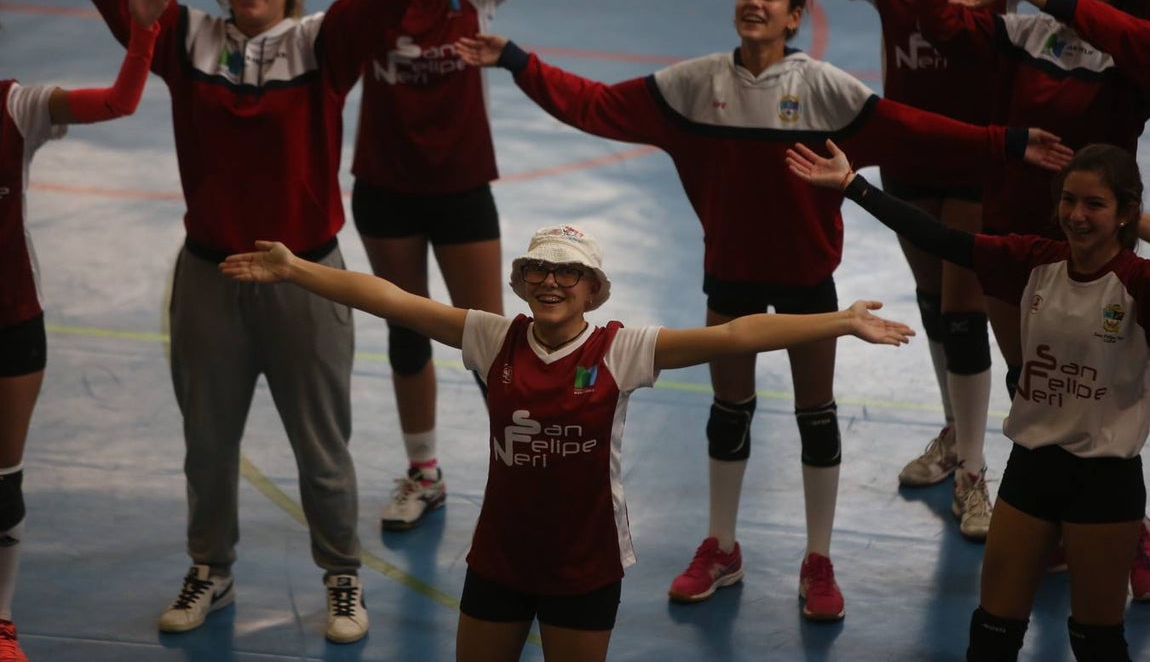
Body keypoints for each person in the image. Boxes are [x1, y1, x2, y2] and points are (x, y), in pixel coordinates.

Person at [455, 0, 1071, 621]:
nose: (754, 2)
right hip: (731, 274)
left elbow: (912, 129)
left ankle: (818, 559)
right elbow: (595, 104)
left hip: (807, 279)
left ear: (795, 15)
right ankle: (721, 546)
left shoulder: (824, 89)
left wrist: (1007, 142)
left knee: (816, 415)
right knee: (729, 411)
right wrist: (516, 59)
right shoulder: (693, 85)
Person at [60, 0, 474, 643]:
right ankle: (210, 569)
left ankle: (342, 575)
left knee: (322, 446)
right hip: (209, 276)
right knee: (207, 444)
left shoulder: (323, 43)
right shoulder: (182, 35)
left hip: (304, 277)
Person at [219, 223, 914, 661]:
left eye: (568, 272)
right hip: (501, 555)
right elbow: (392, 299)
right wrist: (296, 269)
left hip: (585, 562)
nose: (551, 281)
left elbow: (735, 334)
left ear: (593, 290)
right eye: (538, 270)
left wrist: (837, 320)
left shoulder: (621, 350)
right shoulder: (493, 336)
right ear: (522, 283)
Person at [624, 0, 1049, 540]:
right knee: (934, 304)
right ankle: (955, 435)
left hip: (973, 152)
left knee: (964, 312)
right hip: (907, 156)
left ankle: (973, 469)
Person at [234, 0, 582, 532]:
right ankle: (424, 473)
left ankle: (530, 477)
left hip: (460, 186)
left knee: (491, 341)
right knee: (405, 329)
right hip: (386, 185)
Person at [788, 139, 1148, 662]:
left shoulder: (1138, 284)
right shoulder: (1034, 261)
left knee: (1097, 642)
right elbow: (940, 238)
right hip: (1032, 469)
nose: (1076, 215)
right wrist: (853, 186)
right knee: (992, 633)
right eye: (1069, 200)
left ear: (1127, 213)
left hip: (1105, 479)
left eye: (1095, 204)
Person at [890, 0, 1150, 598]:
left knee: (1101, 399)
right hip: (1016, 240)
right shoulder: (1028, 35)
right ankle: (1056, 521)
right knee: (1034, 384)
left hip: (1096, 256)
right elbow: (938, 23)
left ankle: (1130, 528)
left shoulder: (1127, 53)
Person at [0, 0, 167, 662]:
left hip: (11, 320)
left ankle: (1, 620)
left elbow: (119, 102)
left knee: (3, 483)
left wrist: (143, 33)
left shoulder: (13, 106)